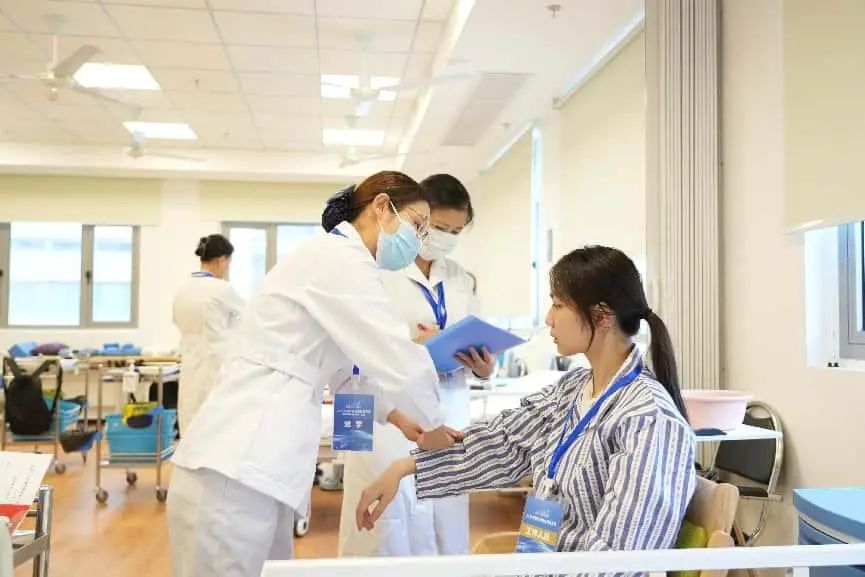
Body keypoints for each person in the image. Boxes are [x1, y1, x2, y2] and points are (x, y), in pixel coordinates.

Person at [167, 171, 460, 577]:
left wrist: (398, 417)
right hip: (235, 464)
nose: (419, 240)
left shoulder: (341, 261)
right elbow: (397, 355)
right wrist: (435, 425)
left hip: (259, 466)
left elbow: (345, 371)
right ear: (381, 206)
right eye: (417, 224)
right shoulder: (339, 259)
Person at [357, 245, 697, 554]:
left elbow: (618, 555)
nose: (548, 318)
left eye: (558, 304)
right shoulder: (573, 389)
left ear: (601, 315)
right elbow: (505, 442)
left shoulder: (648, 419)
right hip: (541, 562)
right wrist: (403, 468)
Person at [338, 174, 494, 557]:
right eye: (439, 227)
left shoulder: (460, 278)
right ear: (419, 217)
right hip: (386, 411)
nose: (447, 238)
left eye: (456, 231)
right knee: (385, 524)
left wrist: (483, 367)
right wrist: (414, 346)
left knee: (445, 520)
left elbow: (474, 337)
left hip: (447, 404)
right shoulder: (375, 267)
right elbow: (352, 349)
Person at [172, 234, 244, 435]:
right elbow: (249, 317)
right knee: (216, 425)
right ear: (221, 260)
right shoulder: (222, 289)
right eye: (228, 263)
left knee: (191, 419)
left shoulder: (183, 290)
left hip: (189, 365)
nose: (227, 268)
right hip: (216, 365)